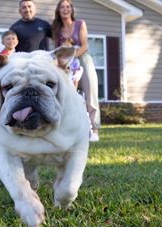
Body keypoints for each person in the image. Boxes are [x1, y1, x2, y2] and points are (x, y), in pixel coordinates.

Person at [51, 0, 100, 142]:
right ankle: (70, 128)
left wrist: (73, 57)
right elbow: (57, 49)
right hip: (65, 63)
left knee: (90, 92)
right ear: (58, 11)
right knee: (67, 94)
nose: (65, 9)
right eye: (62, 7)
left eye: (68, 7)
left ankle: (94, 129)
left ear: (71, 10)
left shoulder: (80, 24)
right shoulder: (57, 29)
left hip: (83, 58)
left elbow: (85, 46)